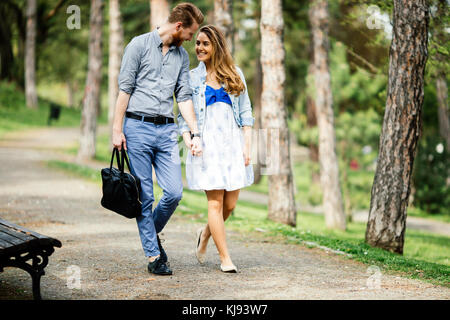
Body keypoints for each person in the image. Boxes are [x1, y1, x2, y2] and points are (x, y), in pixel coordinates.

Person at [111, 3, 204, 276]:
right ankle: (154, 255)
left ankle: (149, 233)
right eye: (190, 33)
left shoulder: (181, 57)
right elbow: (124, 91)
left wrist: (194, 132)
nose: (191, 39)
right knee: (146, 196)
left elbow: (184, 97)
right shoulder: (137, 46)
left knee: (174, 192)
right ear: (178, 27)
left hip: (166, 133)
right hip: (137, 128)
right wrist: (118, 130)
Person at [177, 25, 254, 273]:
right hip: (206, 146)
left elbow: (246, 114)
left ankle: (205, 234)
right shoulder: (191, 77)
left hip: (231, 145)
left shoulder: (235, 73)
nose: (198, 47)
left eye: (204, 44)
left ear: (216, 46)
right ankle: (225, 258)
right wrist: (189, 139)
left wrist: (247, 146)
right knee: (215, 205)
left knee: (230, 205)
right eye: (197, 43)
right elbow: (183, 117)